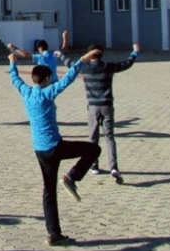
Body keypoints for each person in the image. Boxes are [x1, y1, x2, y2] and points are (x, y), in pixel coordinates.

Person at [8, 48, 102, 246]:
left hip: (40, 150)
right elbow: (68, 79)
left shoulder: (27, 92)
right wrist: (82, 59)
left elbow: (15, 80)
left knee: (49, 191)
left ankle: (53, 233)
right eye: (50, 77)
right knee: (94, 150)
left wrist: (11, 62)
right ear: (46, 79)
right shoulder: (48, 93)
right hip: (54, 147)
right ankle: (72, 176)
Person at [58, 41, 140, 184]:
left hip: (93, 107)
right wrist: (135, 52)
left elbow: (70, 64)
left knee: (93, 138)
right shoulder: (108, 66)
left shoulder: (84, 68)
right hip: (107, 106)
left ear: (89, 55)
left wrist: (60, 54)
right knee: (109, 137)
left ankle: (94, 165)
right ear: (102, 54)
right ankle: (114, 167)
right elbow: (126, 64)